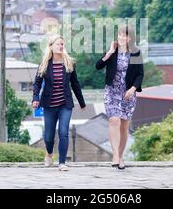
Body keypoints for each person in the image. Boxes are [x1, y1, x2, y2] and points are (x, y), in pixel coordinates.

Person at [32, 35, 86, 171]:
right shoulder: (44, 64)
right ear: (51, 46)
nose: (61, 46)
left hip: (65, 105)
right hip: (49, 105)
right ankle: (49, 153)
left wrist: (81, 102)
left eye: (62, 44)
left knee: (63, 132)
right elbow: (37, 84)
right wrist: (35, 98)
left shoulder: (69, 63)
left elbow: (75, 84)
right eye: (58, 44)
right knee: (49, 136)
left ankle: (62, 162)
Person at [95, 25, 144, 170]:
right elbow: (98, 66)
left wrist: (133, 89)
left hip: (128, 94)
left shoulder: (135, 53)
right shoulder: (113, 51)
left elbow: (140, 74)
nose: (122, 38)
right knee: (113, 120)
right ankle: (115, 155)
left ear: (130, 38)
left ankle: (120, 157)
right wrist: (109, 52)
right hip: (112, 92)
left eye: (125, 36)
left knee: (124, 127)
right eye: (120, 35)